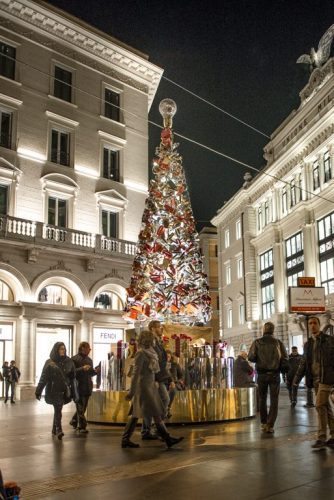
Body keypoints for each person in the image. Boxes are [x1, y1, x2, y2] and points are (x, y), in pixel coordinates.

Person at [121, 329, 184, 449]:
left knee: (142, 414)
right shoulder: (141, 353)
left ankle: (126, 439)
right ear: (148, 340)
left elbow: (153, 371)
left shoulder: (150, 352)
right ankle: (167, 438)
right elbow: (135, 374)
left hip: (150, 387)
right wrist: (132, 392)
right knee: (149, 414)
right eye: (153, 338)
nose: (154, 340)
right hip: (144, 388)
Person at [294, 316, 334, 450]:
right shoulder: (308, 344)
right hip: (315, 380)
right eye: (310, 323)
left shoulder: (329, 340)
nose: (312, 326)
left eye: (314, 323)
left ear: (319, 324)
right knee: (325, 407)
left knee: (318, 405)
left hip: (326, 379)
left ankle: (321, 437)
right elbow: (304, 362)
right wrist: (296, 379)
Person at [248, 321, 288, 434]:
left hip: (261, 375)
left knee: (262, 398)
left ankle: (263, 423)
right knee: (274, 400)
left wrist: (260, 358)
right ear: (273, 330)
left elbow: (251, 357)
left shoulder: (257, 342)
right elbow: (285, 358)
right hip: (275, 375)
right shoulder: (278, 343)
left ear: (264, 330)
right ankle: (270, 425)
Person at [35, 342, 76, 440]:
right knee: (58, 408)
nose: (63, 350)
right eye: (61, 349)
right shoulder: (49, 362)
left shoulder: (69, 361)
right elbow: (43, 377)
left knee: (58, 408)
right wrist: (38, 390)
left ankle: (54, 428)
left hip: (64, 390)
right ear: (56, 350)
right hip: (53, 390)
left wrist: (73, 390)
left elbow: (73, 376)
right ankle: (58, 429)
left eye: (64, 349)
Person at [141, 320, 170, 439]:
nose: (161, 329)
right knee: (164, 399)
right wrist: (155, 379)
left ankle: (148, 430)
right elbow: (152, 361)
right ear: (152, 328)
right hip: (155, 378)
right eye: (159, 327)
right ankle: (155, 427)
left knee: (152, 404)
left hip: (160, 377)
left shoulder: (158, 341)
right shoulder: (150, 342)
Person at [70, 342, 98, 433]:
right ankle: (82, 426)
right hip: (77, 387)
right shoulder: (74, 359)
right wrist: (82, 368)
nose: (89, 350)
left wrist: (96, 371)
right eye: (88, 348)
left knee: (83, 407)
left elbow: (90, 373)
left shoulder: (89, 360)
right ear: (82, 348)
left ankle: (74, 421)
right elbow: (71, 372)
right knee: (80, 407)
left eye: (90, 349)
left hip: (87, 386)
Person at [165, 351, 184, 417]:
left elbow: (181, 375)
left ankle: (168, 408)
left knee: (172, 389)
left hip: (175, 383)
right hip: (164, 383)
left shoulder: (175, 364)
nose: (167, 358)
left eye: (168, 357)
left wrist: (179, 381)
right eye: (166, 357)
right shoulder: (161, 365)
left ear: (171, 357)